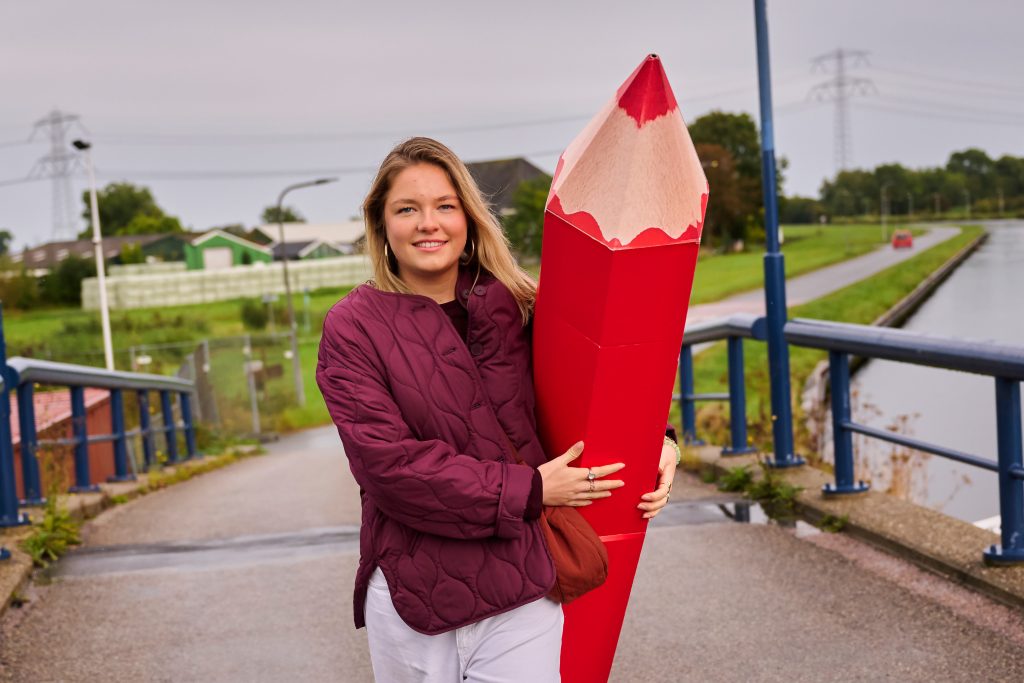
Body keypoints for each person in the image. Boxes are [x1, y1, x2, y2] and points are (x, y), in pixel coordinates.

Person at [316, 137, 679, 682]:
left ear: (468, 216)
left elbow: (593, 392)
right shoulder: (352, 328)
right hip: (413, 593)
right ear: (381, 224)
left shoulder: (521, 304)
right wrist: (530, 490)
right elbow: (387, 467)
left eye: (444, 205)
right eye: (407, 209)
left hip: (523, 580)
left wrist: (660, 443)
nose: (427, 223)